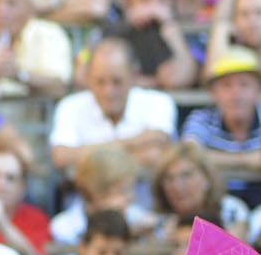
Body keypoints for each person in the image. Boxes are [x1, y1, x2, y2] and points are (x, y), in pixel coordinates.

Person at [49, 35, 177, 171]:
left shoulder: (158, 102)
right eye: (100, 82)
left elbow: (154, 154)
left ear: (134, 75)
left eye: (117, 82)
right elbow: (61, 157)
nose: (109, 92)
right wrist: (136, 143)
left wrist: (84, 155)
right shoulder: (70, 106)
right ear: (88, 78)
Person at [182, 45, 261, 160]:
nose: (236, 93)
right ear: (214, 92)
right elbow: (189, 155)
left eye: (244, 84)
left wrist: (211, 158)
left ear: (260, 90)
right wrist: (252, 160)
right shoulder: (200, 119)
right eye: (227, 85)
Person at [97, 0, 198, 88]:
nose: (154, 6)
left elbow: (177, 79)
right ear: (128, 1)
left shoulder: (171, 29)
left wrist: (171, 30)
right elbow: (99, 78)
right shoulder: (114, 29)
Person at [156, 140, 248, 239]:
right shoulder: (160, 221)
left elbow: (235, 245)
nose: (177, 186)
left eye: (186, 175)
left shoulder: (231, 209)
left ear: (207, 178)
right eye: (169, 178)